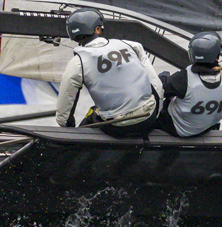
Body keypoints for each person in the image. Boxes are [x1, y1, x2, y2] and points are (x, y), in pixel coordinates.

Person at [55, 8, 161, 138]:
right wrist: (156, 114)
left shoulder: (77, 62)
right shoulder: (132, 46)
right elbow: (157, 86)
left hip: (117, 128)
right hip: (147, 120)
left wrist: (67, 127)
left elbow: (63, 113)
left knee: (92, 113)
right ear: (98, 29)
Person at [154, 31, 222, 138]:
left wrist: (163, 77)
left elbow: (159, 89)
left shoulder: (183, 78)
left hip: (178, 129)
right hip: (207, 127)